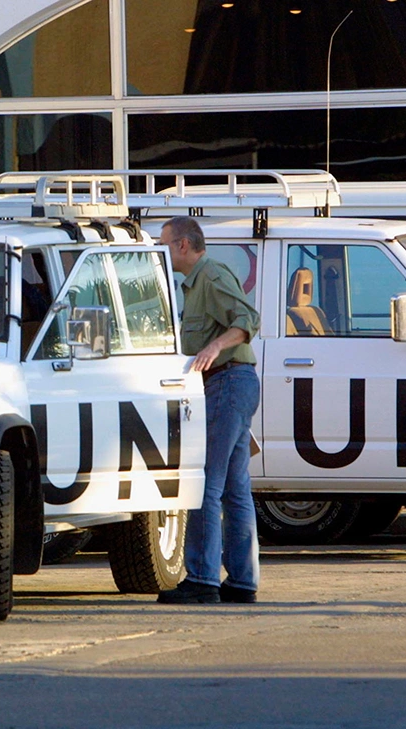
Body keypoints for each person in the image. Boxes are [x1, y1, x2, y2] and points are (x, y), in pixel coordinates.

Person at [156, 216, 262, 605]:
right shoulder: (192, 283)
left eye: (164, 244)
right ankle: (242, 582)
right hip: (230, 384)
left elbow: (247, 320)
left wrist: (216, 347)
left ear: (183, 245)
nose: (161, 251)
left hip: (228, 382)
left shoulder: (211, 276)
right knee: (235, 489)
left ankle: (202, 579)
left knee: (206, 484)